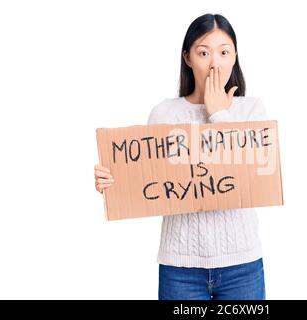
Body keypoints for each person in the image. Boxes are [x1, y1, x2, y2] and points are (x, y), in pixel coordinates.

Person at [94, 13, 269, 300]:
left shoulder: (251, 111)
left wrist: (217, 114)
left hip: (243, 264)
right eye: (203, 52)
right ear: (187, 57)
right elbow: (146, 180)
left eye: (224, 52)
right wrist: (112, 181)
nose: (215, 63)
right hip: (180, 267)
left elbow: (254, 178)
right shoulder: (165, 113)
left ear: (235, 56)